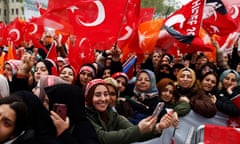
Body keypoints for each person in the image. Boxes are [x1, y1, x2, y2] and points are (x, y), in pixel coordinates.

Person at [84, 79, 173, 144]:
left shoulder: (111, 114)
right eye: (97, 95)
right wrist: (138, 129)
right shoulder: (85, 115)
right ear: (89, 97)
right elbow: (104, 138)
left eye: (106, 94)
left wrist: (157, 128)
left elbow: (134, 132)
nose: (103, 99)